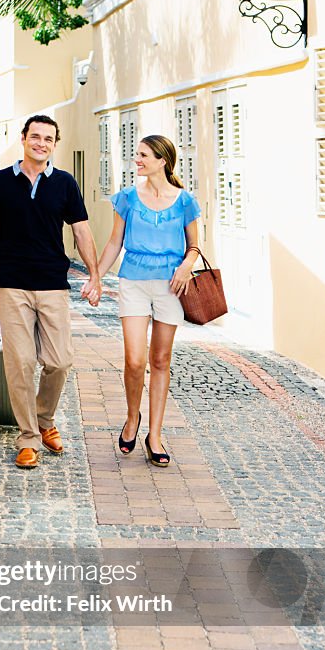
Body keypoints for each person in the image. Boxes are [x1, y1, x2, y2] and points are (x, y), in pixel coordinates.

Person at [0, 114, 102, 469]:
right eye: (36, 136)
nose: (41, 143)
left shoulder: (64, 183)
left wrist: (95, 275)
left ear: (55, 145)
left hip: (53, 284)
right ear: (23, 138)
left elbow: (82, 231)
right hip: (11, 284)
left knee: (59, 361)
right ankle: (28, 437)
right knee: (21, 363)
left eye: (49, 139)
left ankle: (44, 420)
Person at [95, 135, 200, 468]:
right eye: (136, 154)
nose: (136, 160)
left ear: (161, 161)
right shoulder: (127, 198)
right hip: (133, 282)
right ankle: (131, 418)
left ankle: (154, 435)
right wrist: (97, 277)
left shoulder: (185, 201)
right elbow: (114, 243)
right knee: (134, 359)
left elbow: (194, 247)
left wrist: (185, 267)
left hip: (172, 286)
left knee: (161, 359)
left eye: (142, 155)